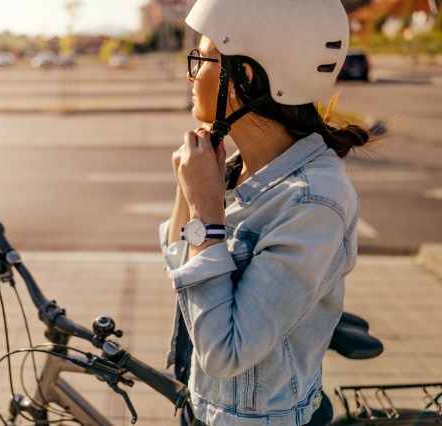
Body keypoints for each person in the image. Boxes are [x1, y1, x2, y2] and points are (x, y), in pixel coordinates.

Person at [158, 0, 376, 425]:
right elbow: (176, 260)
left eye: (202, 58)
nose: (190, 73)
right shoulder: (240, 166)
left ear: (246, 77)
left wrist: (206, 211)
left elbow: (225, 352)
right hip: (202, 406)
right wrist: (192, 187)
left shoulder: (312, 201)